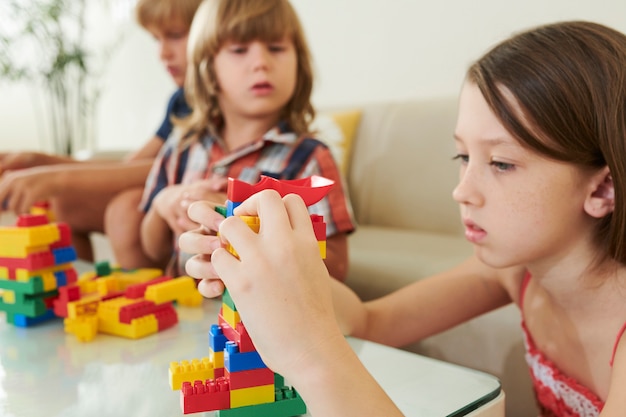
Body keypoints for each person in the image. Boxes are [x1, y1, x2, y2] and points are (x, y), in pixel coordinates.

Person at [180, 21, 626, 417]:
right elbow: (371, 321)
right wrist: (268, 265)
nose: (461, 190)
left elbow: (332, 340)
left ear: (602, 188)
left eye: (502, 164)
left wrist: (310, 352)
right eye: (463, 155)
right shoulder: (516, 275)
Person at [136, 0, 355, 280]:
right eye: (239, 50)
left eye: (276, 48)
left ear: (299, 64)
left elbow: (335, 270)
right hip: (188, 315)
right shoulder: (181, 147)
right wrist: (162, 204)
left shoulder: (310, 159)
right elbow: (152, 249)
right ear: (208, 70)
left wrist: (244, 221)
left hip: (263, 321)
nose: (261, 63)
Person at [0, 0, 202, 263]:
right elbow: (134, 165)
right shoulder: (182, 101)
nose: (163, 53)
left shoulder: (233, 103)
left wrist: (58, 177)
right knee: (67, 203)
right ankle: (76, 297)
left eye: (175, 36)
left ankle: (146, 297)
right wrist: (39, 163)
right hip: (166, 203)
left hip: (183, 205)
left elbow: (164, 169)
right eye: (155, 39)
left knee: (123, 209)